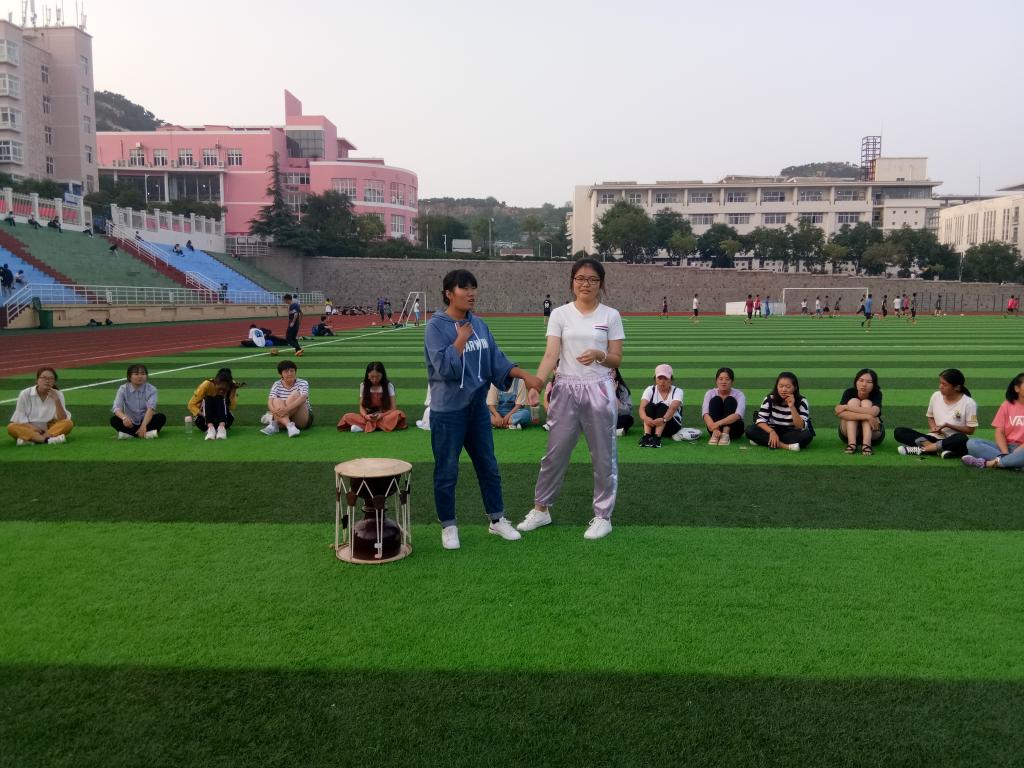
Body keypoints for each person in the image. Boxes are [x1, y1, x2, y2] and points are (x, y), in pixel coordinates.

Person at [425, 270, 543, 549]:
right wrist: (460, 340)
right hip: (448, 412)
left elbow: (496, 361)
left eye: (473, 288)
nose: (471, 293)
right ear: (448, 293)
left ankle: (497, 519)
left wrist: (525, 376)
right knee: (447, 470)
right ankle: (449, 526)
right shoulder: (436, 327)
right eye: (464, 288)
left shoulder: (478, 324)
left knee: (488, 466)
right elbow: (444, 369)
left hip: (476, 409)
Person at [518, 258, 624, 541]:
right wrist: (537, 383)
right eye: (580, 278)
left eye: (592, 279)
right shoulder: (560, 314)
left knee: (603, 456)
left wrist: (599, 355)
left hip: (599, 389)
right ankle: (541, 509)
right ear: (572, 281)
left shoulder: (610, 316)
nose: (585, 284)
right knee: (554, 454)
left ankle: (603, 516)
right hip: (565, 389)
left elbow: (616, 358)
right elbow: (551, 354)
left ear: (601, 283)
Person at [894, 368, 977, 459]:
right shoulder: (936, 396)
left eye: (944, 384)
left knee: (962, 438)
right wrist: (934, 428)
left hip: (954, 440)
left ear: (957, 387)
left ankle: (922, 450)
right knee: (899, 431)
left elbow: (970, 430)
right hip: (936, 437)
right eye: (940, 383)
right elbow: (930, 417)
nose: (940, 386)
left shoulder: (969, 403)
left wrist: (948, 425)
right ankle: (939, 450)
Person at [962, 373, 1024, 470]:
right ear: (1017, 388)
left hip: (1022, 449)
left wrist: (1017, 453)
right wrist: (1005, 453)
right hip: (1006, 447)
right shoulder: (1007, 405)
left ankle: (987, 463)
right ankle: (1013, 463)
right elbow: (1000, 432)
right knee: (973, 443)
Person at [745, 372, 814, 451]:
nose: (784, 390)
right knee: (750, 430)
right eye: (780, 386)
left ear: (795, 387)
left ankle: (763, 441)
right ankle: (785, 446)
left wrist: (792, 406)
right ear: (776, 387)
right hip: (771, 429)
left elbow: (800, 426)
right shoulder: (770, 399)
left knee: (807, 435)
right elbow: (760, 420)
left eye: (788, 387)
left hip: (790, 432)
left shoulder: (802, 401)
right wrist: (771, 432)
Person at [7, 367, 73, 445]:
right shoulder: (25, 393)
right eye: (44, 378)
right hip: (30, 428)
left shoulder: (58, 394)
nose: (47, 381)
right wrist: (33, 428)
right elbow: (20, 418)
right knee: (11, 427)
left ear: (54, 382)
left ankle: (32, 440)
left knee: (68, 423)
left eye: (50, 378)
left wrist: (56, 400)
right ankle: (47, 440)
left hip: (50, 428)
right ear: (37, 380)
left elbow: (62, 419)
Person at [338, 362, 407, 433]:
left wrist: (381, 415)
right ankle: (381, 426)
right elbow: (362, 407)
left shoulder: (388, 386)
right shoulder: (363, 385)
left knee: (399, 414)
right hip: (368, 416)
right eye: (371, 377)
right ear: (367, 375)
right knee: (347, 416)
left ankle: (364, 427)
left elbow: (393, 408)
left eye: (377, 377)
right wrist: (365, 416)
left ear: (382, 375)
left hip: (384, 416)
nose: (374, 379)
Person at [835, 369, 883, 455]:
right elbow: (840, 413)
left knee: (866, 402)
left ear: (874, 384)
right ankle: (851, 443)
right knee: (854, 401)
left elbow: (873, 412)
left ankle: (867, 444)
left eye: (869, 382)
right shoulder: (849, 392)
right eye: (861, 380)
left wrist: (846, 407)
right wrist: (867, 417)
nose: (864, 384)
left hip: (873, 435)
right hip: (848, 434)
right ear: (856, 381)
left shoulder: (877, 393)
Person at [110, 364, 166, 439]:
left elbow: (151, 409)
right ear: (129, 377)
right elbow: (116, 408)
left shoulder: (152, 389)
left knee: (161, 417)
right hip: (130, 423)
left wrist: (143, 425)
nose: (140, 376)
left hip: (146, 421)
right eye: (136, 374)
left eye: (143, 374)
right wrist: (124, 418)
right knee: (114, 420)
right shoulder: (123, 389)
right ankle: (147, 434)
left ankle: (129, 434)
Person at [188, 368, 243, 440]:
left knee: (219, 398)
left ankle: (221, 428)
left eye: (225, 389)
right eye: (220, 388)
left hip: (225, 421)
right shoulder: (206, 385)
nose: (222, 391)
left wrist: (233, 390)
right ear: (215, 382)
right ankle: (210, 429)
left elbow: (232, 407)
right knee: (209, 398)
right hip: (204, 421)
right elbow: (191, 405)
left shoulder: (231, 386)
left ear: (229, 386)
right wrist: (205, 415)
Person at [261, 360, 311, 437]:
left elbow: (303, 398)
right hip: (285, 418)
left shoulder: (302, 382)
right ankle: (290, 426)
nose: (290, 373)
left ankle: (274, 423)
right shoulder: (277, 384)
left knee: (296, 395)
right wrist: (273, 411)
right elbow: (270, 401)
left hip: (301, 418)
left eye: (292, 371)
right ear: (280, 374)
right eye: (286, 371)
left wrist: (286, 409)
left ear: (295, 372)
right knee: (276, 400)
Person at [638, 364, 683, 447]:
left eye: (665, 378)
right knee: (650, 406)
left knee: (662, 406)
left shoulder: (677, 391)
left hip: (670, 426)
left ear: (671, 379)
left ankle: (657, 437)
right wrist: (645, 418)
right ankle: (647, 436)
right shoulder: (650, 389)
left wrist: (663, 420)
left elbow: (672, 408)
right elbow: (642, 408)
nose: (662, 381)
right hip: (652, 425)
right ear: (655, 379)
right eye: (659, 378)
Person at [702, 367, 745, 446]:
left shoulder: (739, 394)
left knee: (730, 400)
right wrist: (713, 427)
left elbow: (738, 415)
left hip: (734, 429)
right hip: (714, 429)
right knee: (716, 399)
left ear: (732, 381)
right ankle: (715, 434)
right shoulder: (710, 393)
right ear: (716, 381)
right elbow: (705, 414)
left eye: (727, 379)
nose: (723, 382)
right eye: (720, 379)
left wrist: (718, 423)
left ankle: (725, 434)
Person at [613, 368, 634, 437]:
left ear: (616, 373)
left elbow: (627, 411)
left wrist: (613, 395)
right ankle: (616, 431)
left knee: (628, 419)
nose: (610, 374)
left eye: (612, 371)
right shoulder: (598, 387)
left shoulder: (622, 389)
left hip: (618, 418)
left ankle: (604, 431)